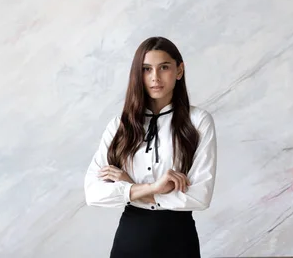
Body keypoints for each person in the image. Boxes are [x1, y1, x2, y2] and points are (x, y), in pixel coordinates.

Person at [84, 36, 217, 258]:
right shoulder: (120, 125)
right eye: (146, 69)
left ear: (179, 71)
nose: (155, 77)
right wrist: (154, 188)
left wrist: (129, 186)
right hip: (130, 238)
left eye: (163, 67)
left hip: (179, 239)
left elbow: (200, 196)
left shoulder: (199, 121)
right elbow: (94, 193)